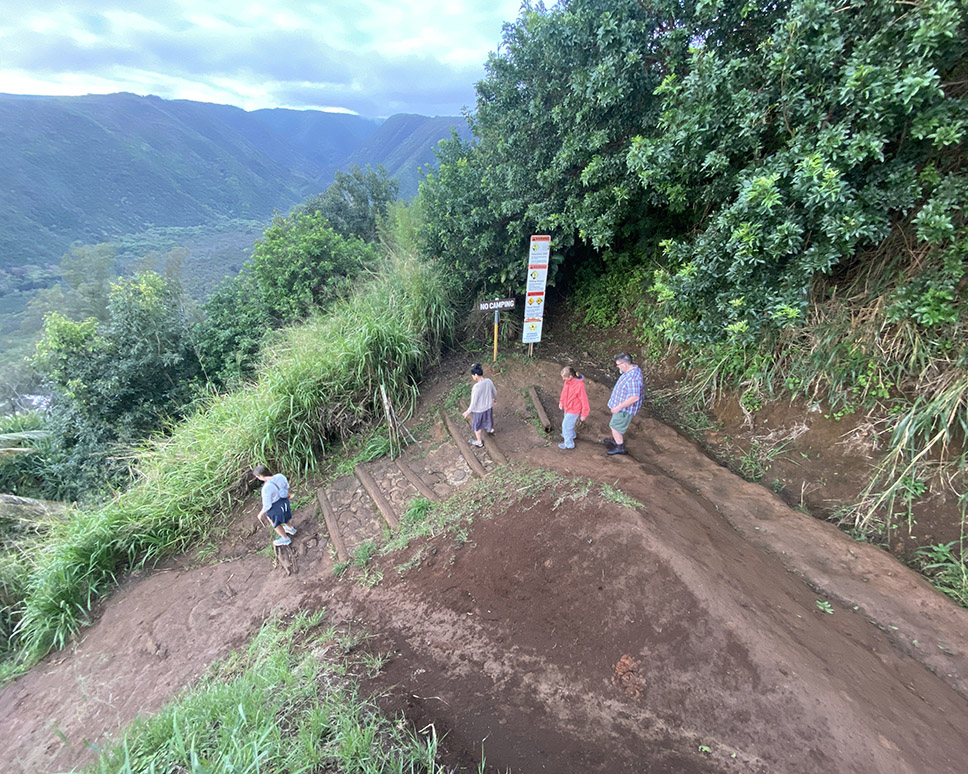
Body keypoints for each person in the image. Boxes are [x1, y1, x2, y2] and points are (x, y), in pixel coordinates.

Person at [604, 352, 644, 456]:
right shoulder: (633, 370)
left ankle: (619, 447)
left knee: (615, 426)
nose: (617, 367)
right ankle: (616, 440)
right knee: (617, 425)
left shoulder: (632, 379)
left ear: (624, 364)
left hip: (624, 410)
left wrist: (618, 407)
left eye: (618, 365)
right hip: (621, 407)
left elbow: (634, 397)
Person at [253, 464, 296, 546]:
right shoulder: (280, 476)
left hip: (275, 507)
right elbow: (287, 486)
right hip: (284, 501)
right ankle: (291, 529)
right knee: (285, 514)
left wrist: (260, 514)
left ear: (261, 476)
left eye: (257, 477)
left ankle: (285, 538)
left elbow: (267, 505)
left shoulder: (266, 488)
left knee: (275, 523)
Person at [462, 363, 496, 448]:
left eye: (473, 376)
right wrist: (494, 399)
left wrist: (468, 411)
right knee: (489, 418)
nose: (473, 377)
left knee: (477, 426)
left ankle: (479, 442)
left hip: (479, 410)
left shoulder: (476, 387)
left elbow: (473, 402)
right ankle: (490, 429)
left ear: (476, 375)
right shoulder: (488, 381)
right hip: (488, 406)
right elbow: (494, 391)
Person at [557, 365, 589, 450]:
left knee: (565, 426)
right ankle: (572, 435)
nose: (563, 379)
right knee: (568, 424)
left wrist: (584, 414)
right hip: (567, 407)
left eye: (565, 377)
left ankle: (568, 444)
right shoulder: (567, 382)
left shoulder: (579, 385)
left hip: (574, 410)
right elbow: (564, 392)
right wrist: (561, 402)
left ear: (570, 376)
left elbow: (584, 400)